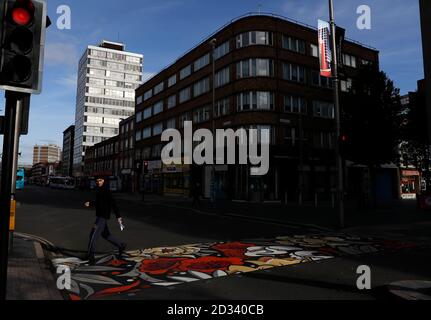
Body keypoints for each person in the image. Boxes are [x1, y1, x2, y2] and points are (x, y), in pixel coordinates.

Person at [85, 177, 126, 264]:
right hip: (100, 216)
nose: (98, 182)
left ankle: (91, 256)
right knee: (106, 234)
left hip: (102, 217)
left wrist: (118, 216)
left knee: (93, 235)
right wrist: (91, 203)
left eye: (100, 180)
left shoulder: (106, 191)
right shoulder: (99, 190)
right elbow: (99, 203)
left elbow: (113, 204)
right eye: (97, 180)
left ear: (104, 181)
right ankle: (121, 245)